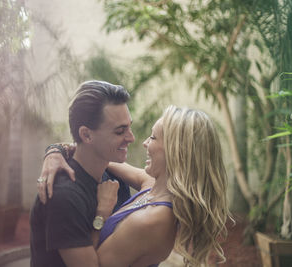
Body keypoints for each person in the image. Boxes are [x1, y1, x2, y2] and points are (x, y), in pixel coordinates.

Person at [39, 105, 231, 266]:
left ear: (176, 152)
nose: (145, 143)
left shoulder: (152, 221)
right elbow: (97, 155)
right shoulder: (153, 185)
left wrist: (102, 212)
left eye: (154, 137)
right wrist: (54, 152)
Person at [30, 80, 135, 267]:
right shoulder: (63, 195)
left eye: (129, 127)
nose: (131, 138)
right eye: (120, 131)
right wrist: (101, 214)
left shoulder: (115, 179)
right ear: (86, 135)